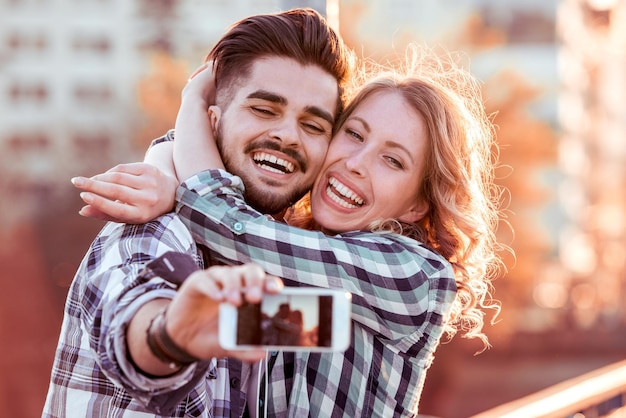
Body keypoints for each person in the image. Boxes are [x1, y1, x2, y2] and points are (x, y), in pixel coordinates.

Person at [74, 45, 504, 416]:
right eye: (353, 134)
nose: (356, 162)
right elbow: (206, 330)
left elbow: (230, 225)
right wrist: (166, 162)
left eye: (393, 160)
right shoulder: (305, 276)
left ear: (418, 204)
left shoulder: (412, 277)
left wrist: (188, 113)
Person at [43, 8, 353, 418]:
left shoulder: (282, 254)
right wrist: (171, 336)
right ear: (211, 119)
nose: (287, 135)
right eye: (264, 109)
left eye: (313, 126)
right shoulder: (152, 227)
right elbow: (135, 321)